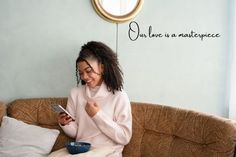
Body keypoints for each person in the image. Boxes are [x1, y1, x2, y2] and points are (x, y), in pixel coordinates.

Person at [58, 41, 132, 157]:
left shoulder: (119, 96)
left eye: (88, 71)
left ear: (102, 67)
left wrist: (97, 115)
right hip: (81, 151)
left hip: (108, 152)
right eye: (81, 73)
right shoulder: (76, 93)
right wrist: (65, 124)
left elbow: (124, 137)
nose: (84, 77)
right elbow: (76, 133)